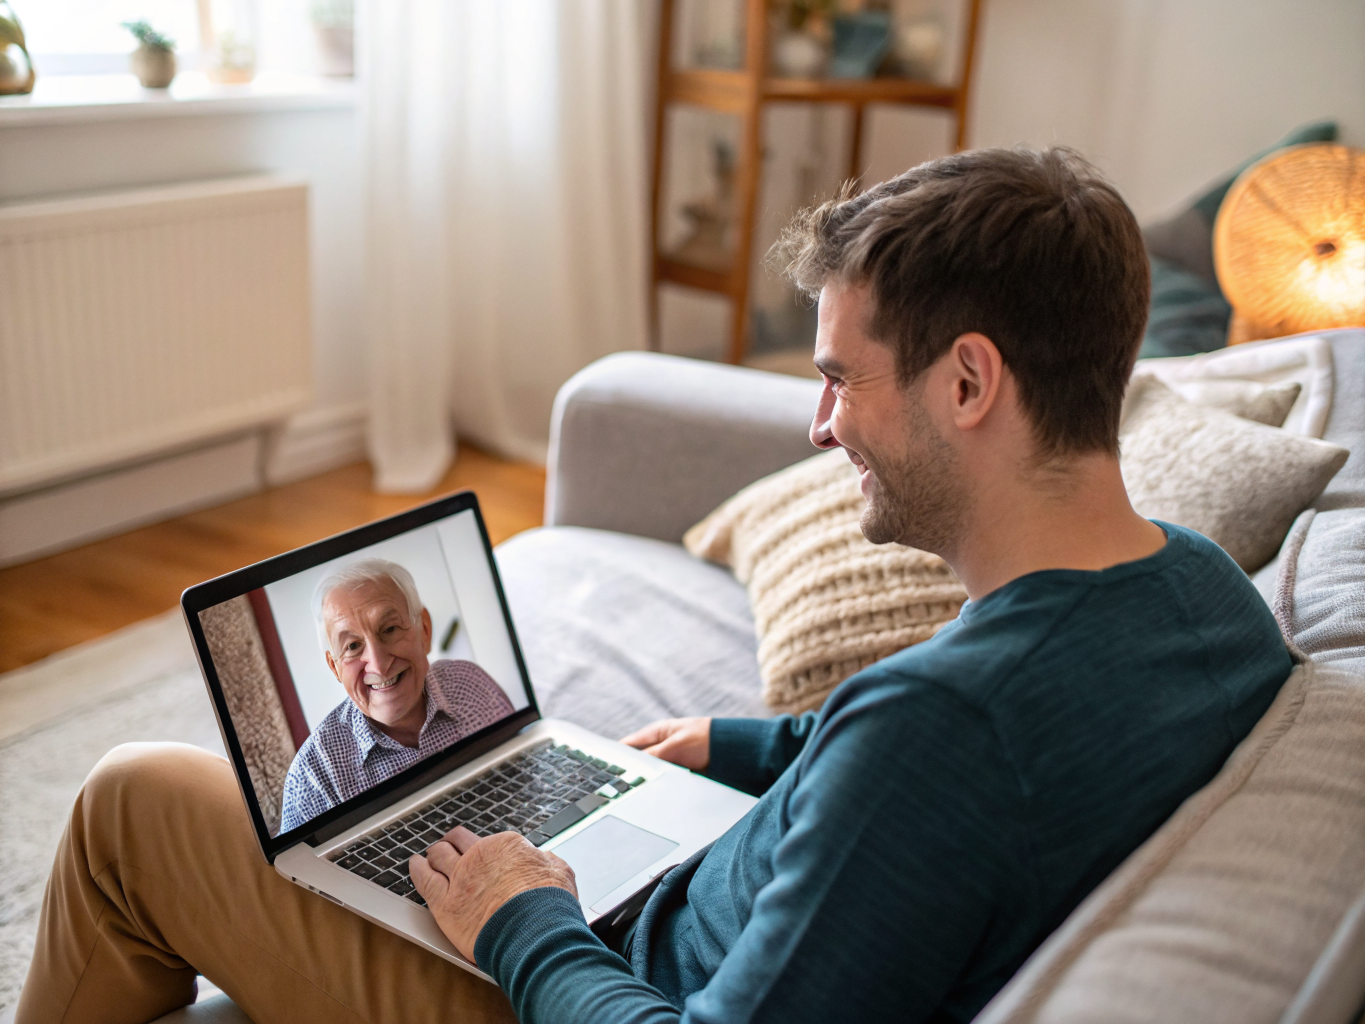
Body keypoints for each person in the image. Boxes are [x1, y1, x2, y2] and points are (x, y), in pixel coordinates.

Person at [17, 147, 1292, 1024]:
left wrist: (522, 921)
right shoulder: (1201, 594)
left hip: (578, 977)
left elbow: (928, 761)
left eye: (841, 375)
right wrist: (743, 741)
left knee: (137, 798)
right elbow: (938, 769)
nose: (819, 423)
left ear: (968, 384)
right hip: (654, 912)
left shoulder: (941, 732)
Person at [278, 559, 515, 833]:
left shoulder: (472, 684)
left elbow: (522, 776)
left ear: (424, 631)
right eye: (353, 646)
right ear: (335, 668)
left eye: (389, 629)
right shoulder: (314, 776)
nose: (378, 664)